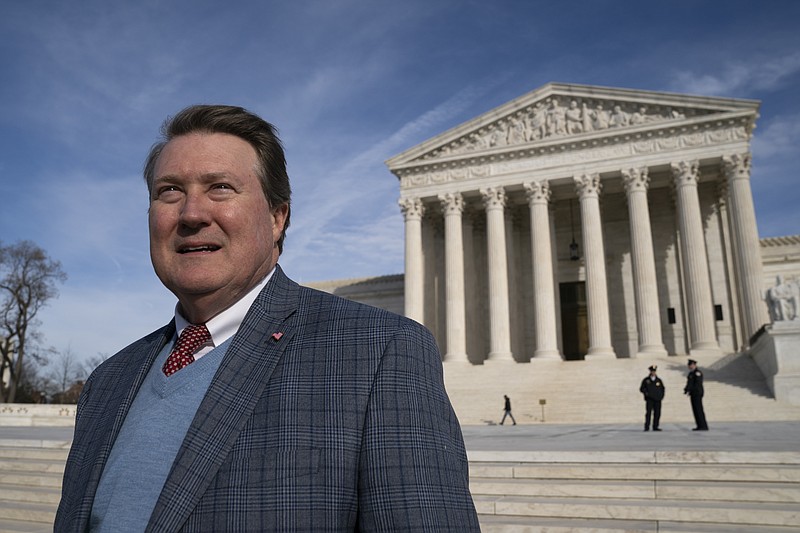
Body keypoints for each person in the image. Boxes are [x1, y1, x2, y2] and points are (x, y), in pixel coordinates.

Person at [55, 105, 480, 532]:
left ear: (277, 218)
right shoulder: (108, 381)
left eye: (220, 187)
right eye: (169, 191)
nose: (190, 214)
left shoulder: (378, 354)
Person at [684, 359, 709, 431]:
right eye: (689, 365)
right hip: (693, 394)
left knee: (699, 410)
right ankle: (699, 425)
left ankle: (703, 426)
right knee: (695, 410)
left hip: (697, 393)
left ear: (694, 365)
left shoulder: (698, 373)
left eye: (691, 365)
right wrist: (686, 389)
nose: (689, 366)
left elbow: (697, 384)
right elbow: (689, 383)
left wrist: (690, 389)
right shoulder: (691, 374)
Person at [639, 365, 664, 431]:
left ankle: (655, 426)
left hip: (657, 399)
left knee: (657, 413)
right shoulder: (646, 380)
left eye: (654, 371)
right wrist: (646, 393)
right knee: (648, 413)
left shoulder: (659, 380)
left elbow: (662, 389)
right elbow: (642, 388)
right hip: (649, 399)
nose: (653, 372)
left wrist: (661, 396)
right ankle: (647, 426)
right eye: (652, 371)